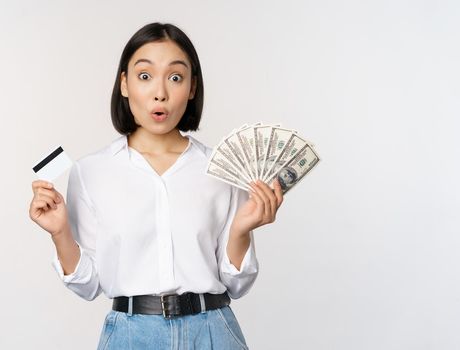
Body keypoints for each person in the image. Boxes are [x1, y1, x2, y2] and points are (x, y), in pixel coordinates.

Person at [28, 22, 283, 349]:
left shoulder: (221, 169)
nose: (160, 92)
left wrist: (241, 231)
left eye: (175, 77)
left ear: (192, 88)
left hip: (213, 332)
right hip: (131, 336)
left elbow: (237, 283)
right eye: (145, 76)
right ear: (124, 84)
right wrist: (60, 232)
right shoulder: (91, 171)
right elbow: (89, 285)